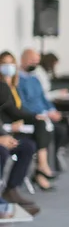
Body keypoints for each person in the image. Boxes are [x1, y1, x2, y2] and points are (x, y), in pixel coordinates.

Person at [0, 51, 56, 191]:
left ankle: (11, 189)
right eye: (4, 64)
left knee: (29, 145)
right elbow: (11, 111)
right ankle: (41, 168)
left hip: (9, 127)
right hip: (9, 126)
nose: (8, 67)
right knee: (3, 151)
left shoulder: (13, 85)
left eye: (10, 63)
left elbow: (15, 110)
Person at [18, 49, 67, 178]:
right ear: (23, 59)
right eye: (32, 61)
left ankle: (47, 165)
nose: (34, 64)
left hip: (43, 115)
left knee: (61, 129)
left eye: (36, 62)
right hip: (31, 116)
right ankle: (42, 168)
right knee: (45, 129)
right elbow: (23, 104)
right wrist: (42, 114)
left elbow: (43, 99)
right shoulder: (18, 80)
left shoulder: (35, 79)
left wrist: (51, 111)